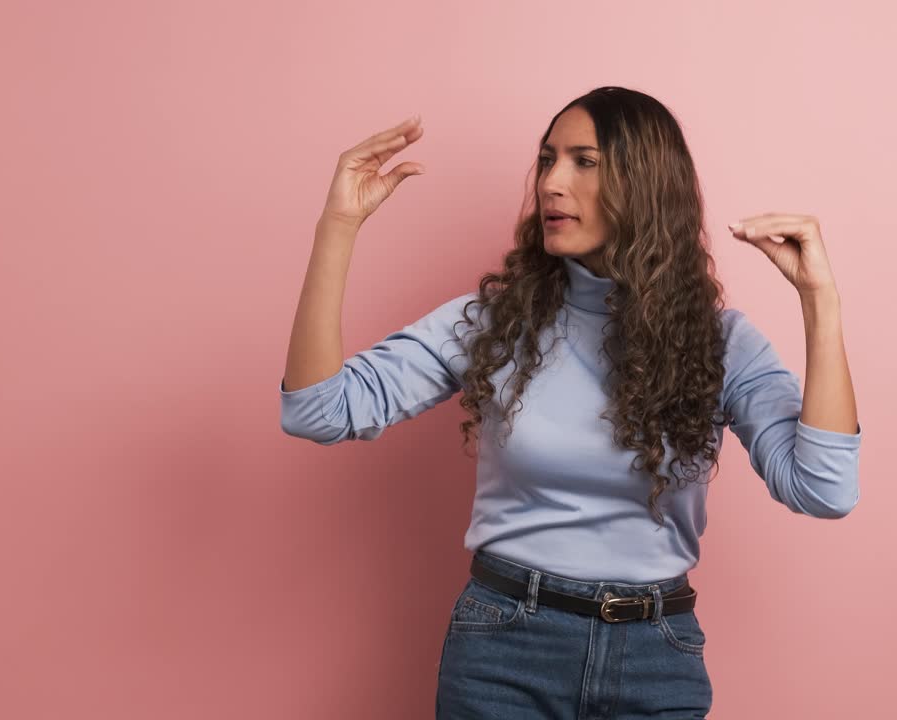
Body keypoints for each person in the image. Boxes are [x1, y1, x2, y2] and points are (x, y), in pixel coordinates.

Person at [279, 86, 862, 719]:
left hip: (656, 656)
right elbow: (318, 410)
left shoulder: (721, 343)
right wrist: (337, 225)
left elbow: (824, 489)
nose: (552, 182)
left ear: (643, 183)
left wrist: (820, 304)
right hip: (505, 649)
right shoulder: (496, 324)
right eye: (548, 158)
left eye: (583, 161)